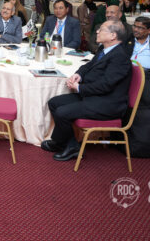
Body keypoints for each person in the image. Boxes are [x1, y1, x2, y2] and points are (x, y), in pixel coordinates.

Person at [41, 20, 132, 161]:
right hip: (94, 96)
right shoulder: (104, 49)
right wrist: (79, 75)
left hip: (108, 103)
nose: (97, 31)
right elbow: (89, 65)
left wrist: (79, 87)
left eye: (101, 29)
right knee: (54, 102)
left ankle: (70, 147)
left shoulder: (120, 56)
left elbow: (106, 85)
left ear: (113, 35)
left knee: (62, 112)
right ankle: (65, 143)